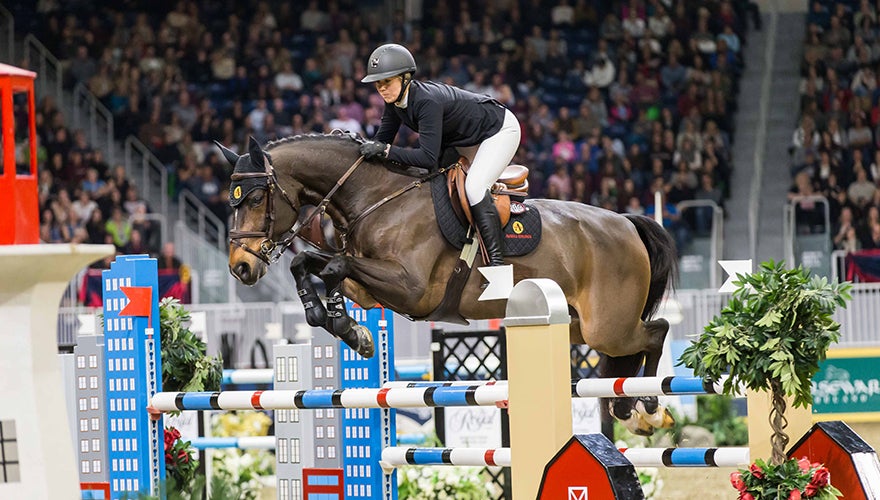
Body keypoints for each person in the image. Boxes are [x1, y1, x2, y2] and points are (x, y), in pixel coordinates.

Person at [358, 43, 521, 272]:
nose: (382, 89)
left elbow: (425, 156)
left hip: (498, 131)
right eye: (378, 84)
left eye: (387, 82)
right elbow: (381, 141)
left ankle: (497, 264)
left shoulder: (426, 101)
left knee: (474, 187)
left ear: (405, 78)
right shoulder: (394, 103)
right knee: (431, 182)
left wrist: (385, 152)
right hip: (464, 139)